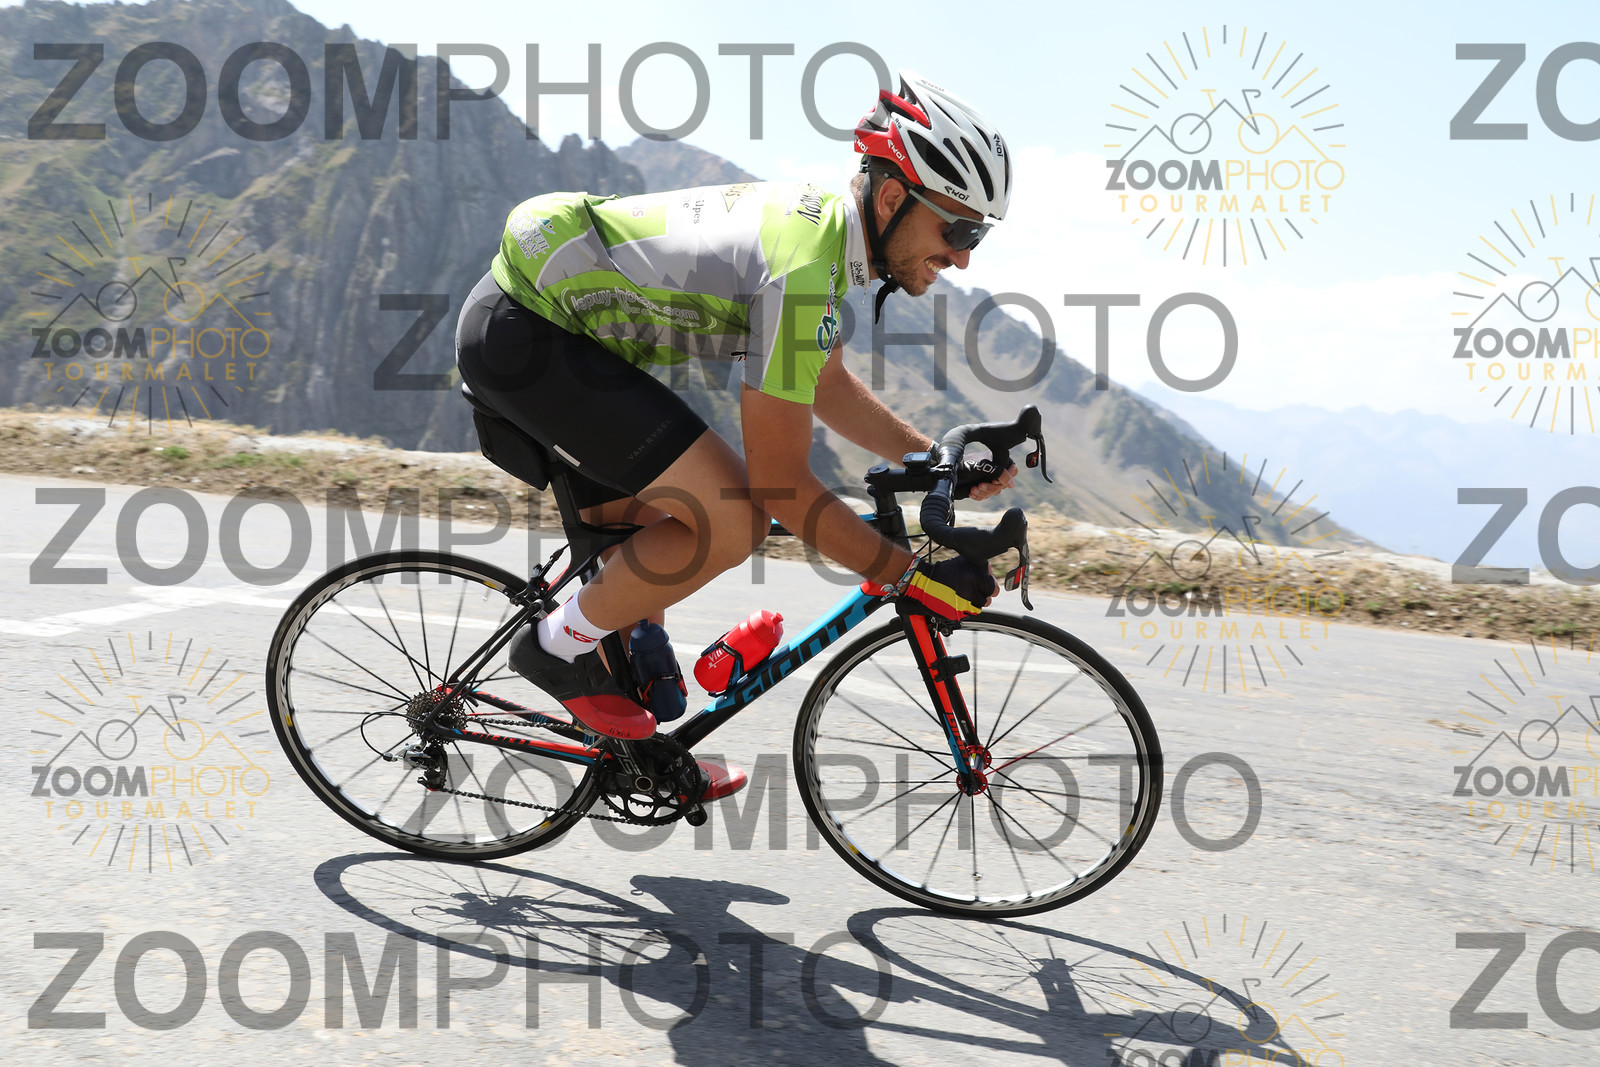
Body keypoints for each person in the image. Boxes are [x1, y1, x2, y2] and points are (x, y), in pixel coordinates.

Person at [455, 70, 1017, 743]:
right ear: (893, 197)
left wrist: (935, 461)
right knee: (731, 519)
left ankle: (620, 723)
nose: (961, 257)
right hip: (528, 334)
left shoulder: (824, 241)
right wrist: (910, 576)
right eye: (958, 229)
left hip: (577, 340)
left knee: (644, 623)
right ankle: (553, 647)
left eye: (976, 237)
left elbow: (828, 386)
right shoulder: (803, 271)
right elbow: (782, 486)